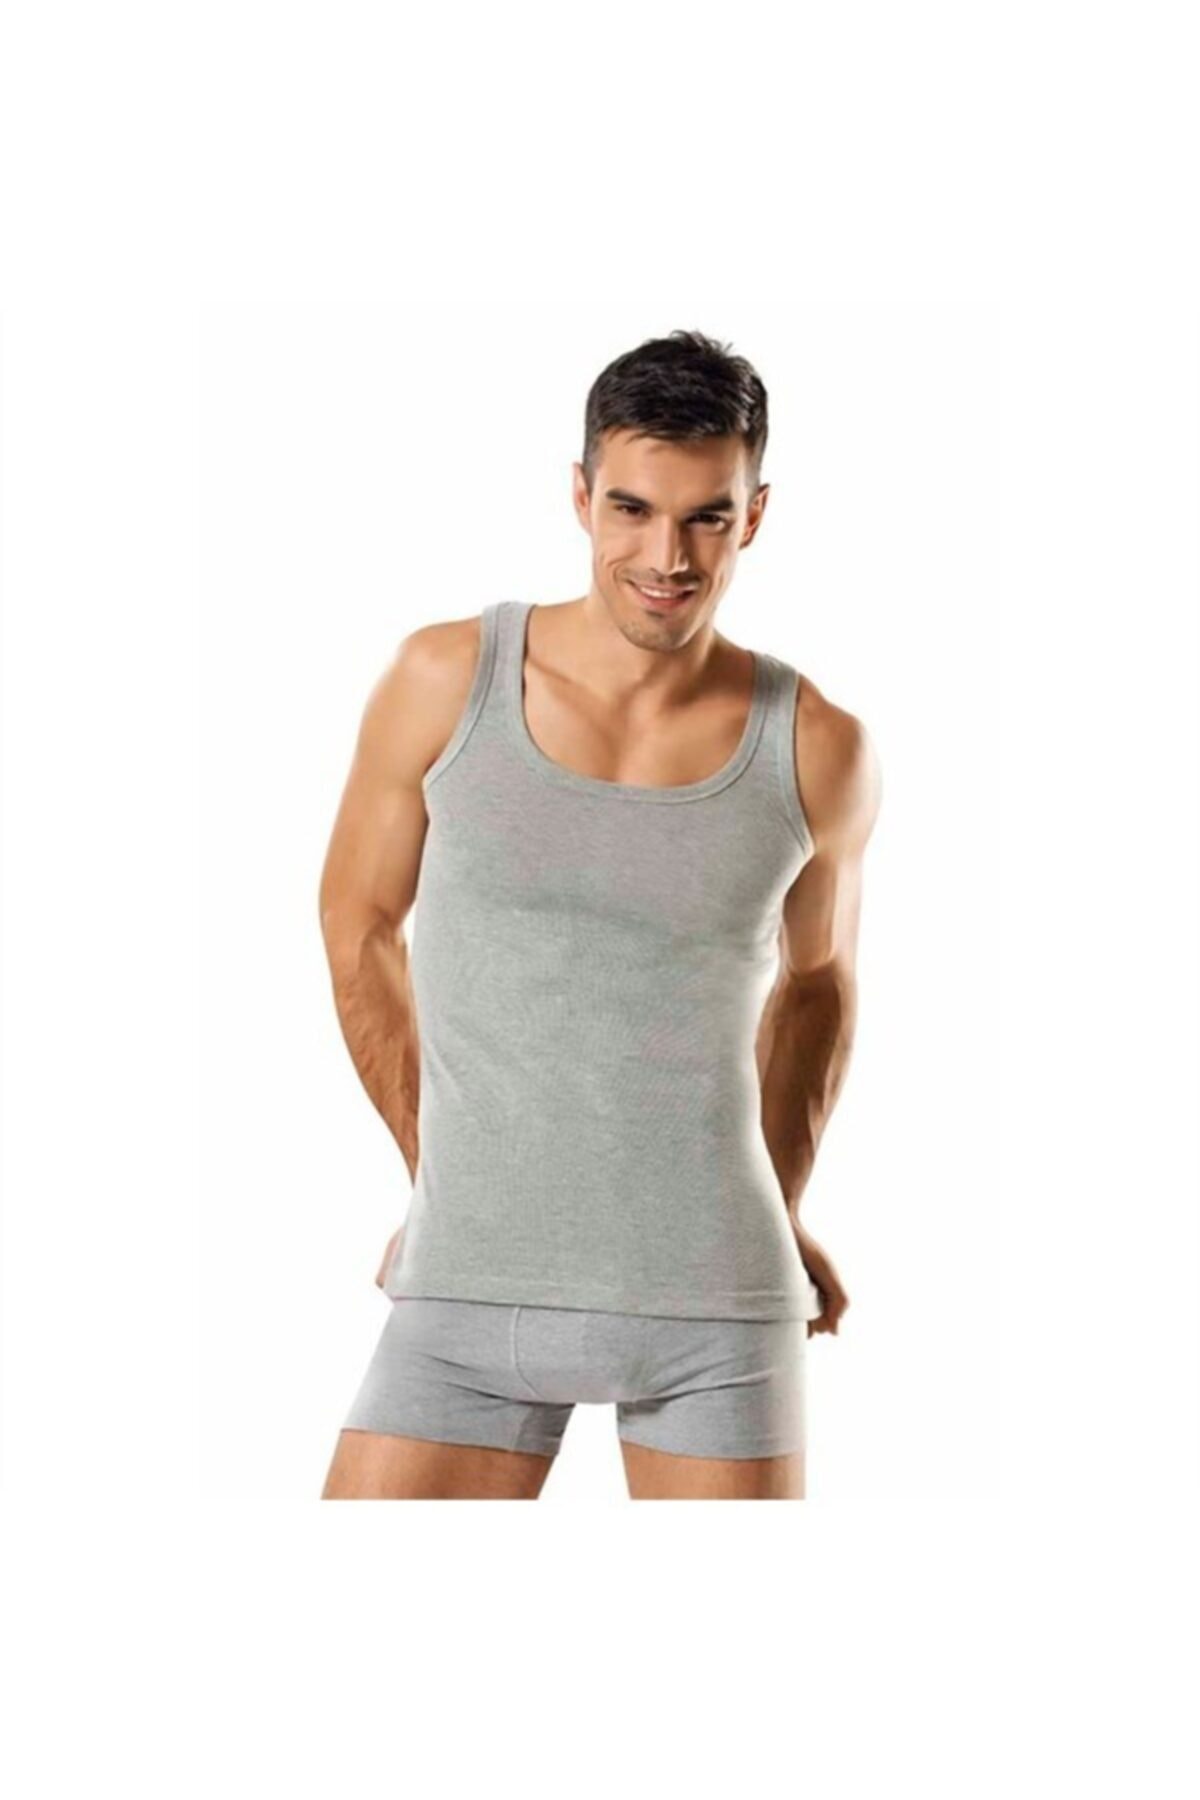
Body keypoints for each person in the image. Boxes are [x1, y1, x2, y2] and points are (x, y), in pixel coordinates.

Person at [318, 329, 881, 1500]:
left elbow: (818, 984)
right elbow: (357, 921)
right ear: (581, 496)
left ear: (753, 515)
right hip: (469, 1285)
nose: (665, 557)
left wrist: (780, 1206)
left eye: (706, 518)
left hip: (717, 1302)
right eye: (632, 509)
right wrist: (442, 1166)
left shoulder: (818, 744)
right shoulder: (444, 679)